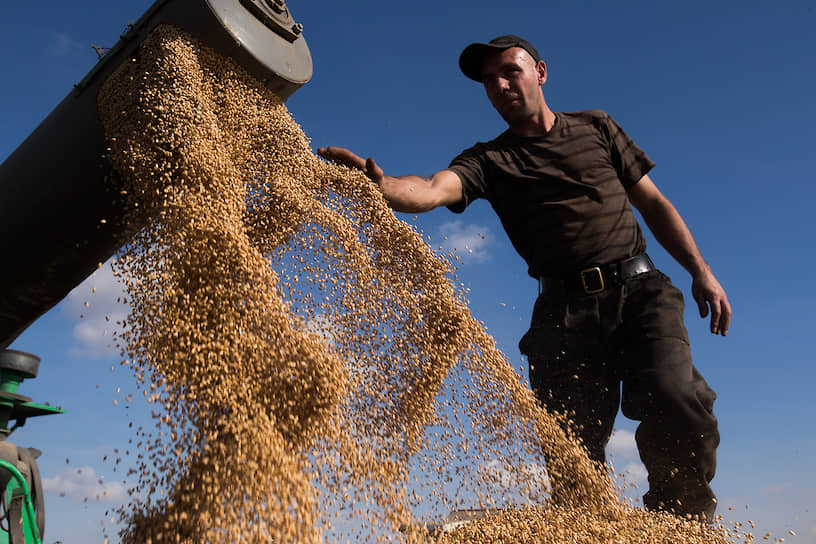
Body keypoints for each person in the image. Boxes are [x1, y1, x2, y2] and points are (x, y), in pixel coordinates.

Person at [317, 35, 731, 521]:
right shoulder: (489, 160)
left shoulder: (597, 127)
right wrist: (382, 187)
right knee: (570, 452)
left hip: (639, 292)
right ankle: (590, 526)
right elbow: (431, 189)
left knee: (675, 396)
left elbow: (655, 204)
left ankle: (683, 524)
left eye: (509, 71)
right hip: (563, 315)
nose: (499, 84)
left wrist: (701, 271)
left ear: (540, 72)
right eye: (489, 80)